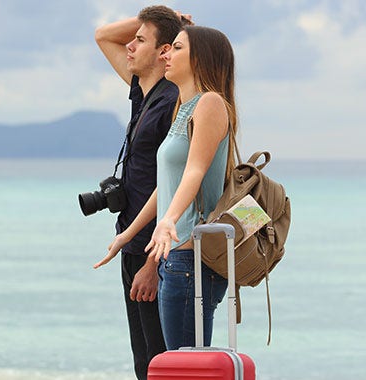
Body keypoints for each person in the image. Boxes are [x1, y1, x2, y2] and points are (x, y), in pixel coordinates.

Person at [101, 25, 238, 351]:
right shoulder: (182, 107)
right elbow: (166, 186)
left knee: (184, 365)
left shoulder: (210, 103)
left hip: (192, 257)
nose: (166, 54)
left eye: (176, 48)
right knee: (177, 364)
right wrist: (128, 234)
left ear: (199, 58)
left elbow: (195, 171)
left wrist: (169, 221)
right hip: (175, 258)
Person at [91, 6, 190, 379]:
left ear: (163, 52)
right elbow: (103, 35)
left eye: (140, 40)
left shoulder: (173, 101)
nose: (129, 46)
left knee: (160, 360)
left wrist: (151, 265)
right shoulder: (144, 92)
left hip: (157, 251)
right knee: (143, 363)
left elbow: (175, 184)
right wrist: (165, 17)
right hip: (133, 242)